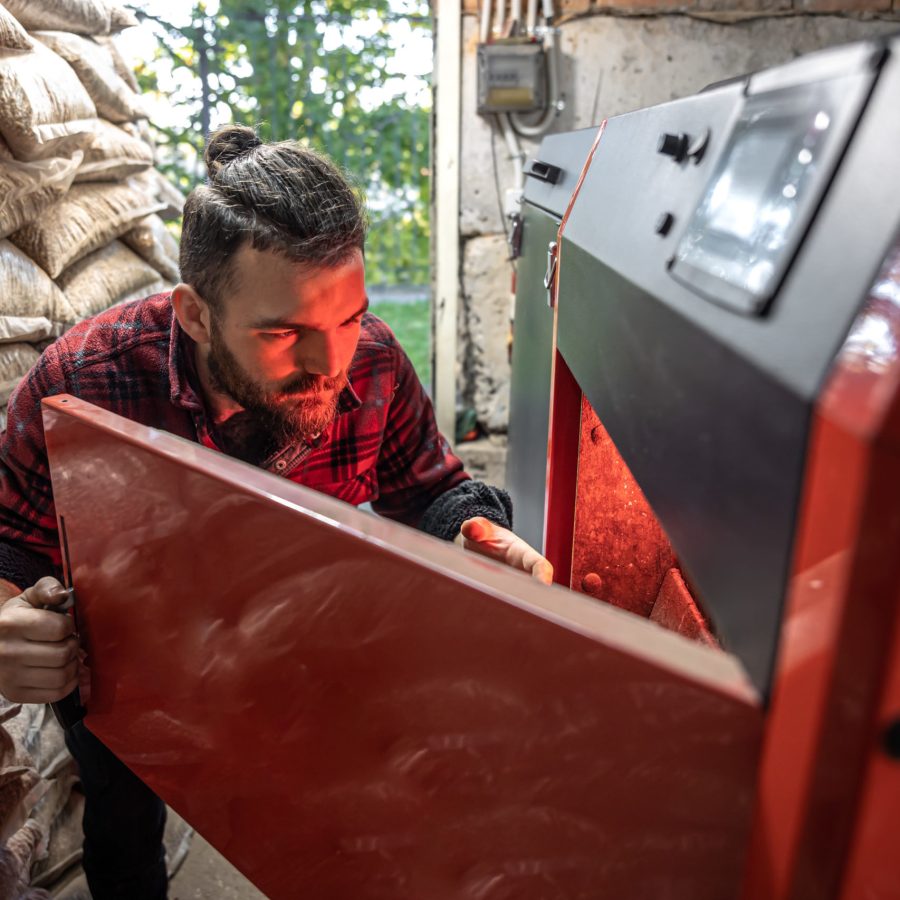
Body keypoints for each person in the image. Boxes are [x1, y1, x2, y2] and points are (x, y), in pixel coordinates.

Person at [0, 125, 552, 898]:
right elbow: (10, 544)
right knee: (123, 830)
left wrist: (470, 532)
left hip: (300, 644)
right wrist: (11, 623)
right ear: (194, 314)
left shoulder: (377, 362)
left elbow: (431, 490)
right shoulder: (85, 383)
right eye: (283, 334)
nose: (331, 371)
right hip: (130, 666)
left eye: (349, 319)